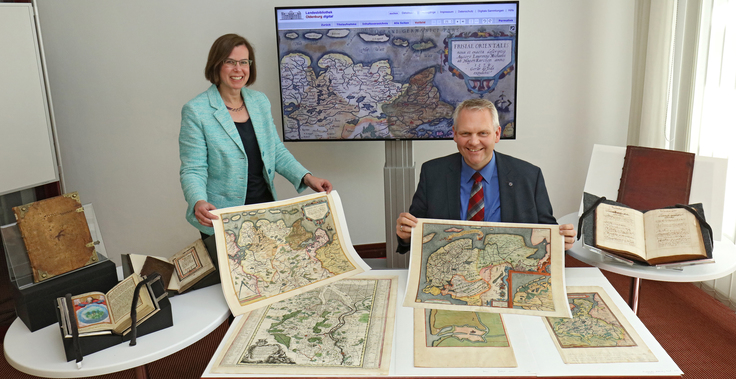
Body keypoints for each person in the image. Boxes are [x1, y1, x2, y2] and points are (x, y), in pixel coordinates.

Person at [179, 34, 332, 238]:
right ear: (216, 65)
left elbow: (275, 150)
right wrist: (198, 200)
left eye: (244, 62)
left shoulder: (259, 102)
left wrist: (308, 177)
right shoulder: (196, 110)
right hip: (222, 217)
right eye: (230, 62)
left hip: (265, 211)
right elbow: (193, 169)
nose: (238, 69)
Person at [395, 98, 576, 253]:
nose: (474, 142)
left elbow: (548, 237)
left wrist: (563, 242)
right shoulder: (433, 173)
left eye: (483, 133)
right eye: (466, 133)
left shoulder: (529, 176)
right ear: (455, 134)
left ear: (497, 134)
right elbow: (414, 236)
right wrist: (405, 235)